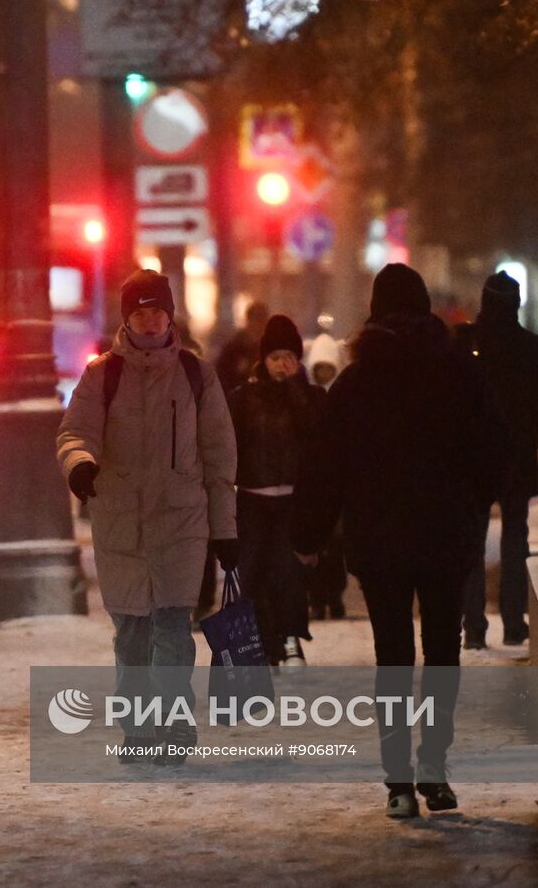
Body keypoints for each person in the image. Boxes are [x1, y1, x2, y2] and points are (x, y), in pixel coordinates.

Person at [292, 263, 502, 819]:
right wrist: (479, 501)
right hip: (444, 534)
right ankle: (435, 769)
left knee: (392, 657)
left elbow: (325, 464)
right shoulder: (458, 372)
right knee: (440, 654)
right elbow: (489, 448)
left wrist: (309, 535)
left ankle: (398, 784)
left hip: (380, 538)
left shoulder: (356, 383)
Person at [58, 269, 238, 766]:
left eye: (157, 310)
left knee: (173, 628)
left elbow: (220, 459)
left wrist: (226, 531)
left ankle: (175, 723)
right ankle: (139, 728)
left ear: (171, 314)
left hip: (180, 524)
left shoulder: (197, 375)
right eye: (140, 312)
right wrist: (81, 466)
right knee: (133, 634)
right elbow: (74, 433)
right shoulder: (102, 375)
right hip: (120, 526)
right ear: (127, 318)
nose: (150, 320)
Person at [460, 272, 538, 647]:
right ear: (517, 303)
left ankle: (473, 627)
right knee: (515, 538)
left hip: (472, 458)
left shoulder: (466, 343)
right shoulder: (532, 348)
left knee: (471, 542)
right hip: (516, 456)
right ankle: (512, 622)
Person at [227, 314, 325, 669]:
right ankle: (260, 646)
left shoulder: (311, 397)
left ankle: (290, 638)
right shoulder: (243, 398)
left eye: (288, 357)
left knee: (289, 575)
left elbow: (318, 440)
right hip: (253, 498)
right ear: (262, 361)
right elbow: (228, 446)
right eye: (274, 357)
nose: (281, 365)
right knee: (251, 575)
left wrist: (295, 390)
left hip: (293, 501)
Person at [303, 315, 350, 620]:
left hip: (336, 481)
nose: (322, 374)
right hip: (314, 482)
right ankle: (319, 597)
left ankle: (333, 596)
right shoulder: (306, 397)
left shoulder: (343, 394)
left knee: (335, 547)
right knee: (317, 546)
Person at [215, 300, 270, 394]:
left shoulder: (271, 348)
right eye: (256, 319)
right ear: (248, 320)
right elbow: (222, 376)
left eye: (262, 320)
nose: (259, 324)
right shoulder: (234, 348)